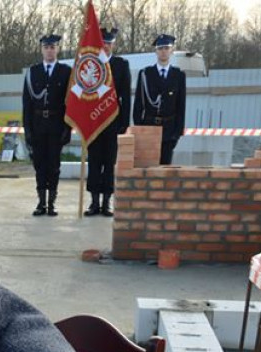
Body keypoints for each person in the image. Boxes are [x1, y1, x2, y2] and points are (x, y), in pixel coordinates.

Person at [22, 34, 73, 217]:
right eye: (46, 47)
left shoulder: (66, 72)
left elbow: (70, 103)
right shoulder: (33, 72)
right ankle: (41, 202)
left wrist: (67, 129)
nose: (49, 50)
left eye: (53, 47)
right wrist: (27, 130)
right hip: (37, 125)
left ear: (57, 49)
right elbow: (27, 104)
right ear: (41, 49)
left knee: (54, 166)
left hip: (56, 125)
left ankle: (52, 203)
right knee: (39, 165)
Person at [84, 27, 131, 217]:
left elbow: (126, 96)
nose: (106, 46)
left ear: (113, 44)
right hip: (94, 122)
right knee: (94, 162)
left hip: (113, 123)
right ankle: (94, 202)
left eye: (109, 43)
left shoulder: (121, 65)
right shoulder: (91, 64)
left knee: (109, 163)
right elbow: (85, 95)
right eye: (103, 43)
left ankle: (106, 203)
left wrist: (124, 124)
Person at [132, 34, 186, 165]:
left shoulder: (178, 75)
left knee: (165, 168)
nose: (163, 51)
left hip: (169, 129)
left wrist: (177, 133)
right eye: (160, 48)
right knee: (147, 167)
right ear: (156, 51)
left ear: (172, 50)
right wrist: (139, 127)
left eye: (166, 48)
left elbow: (181, 105)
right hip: (149, 126)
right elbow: (138, 103)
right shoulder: (146, 74)